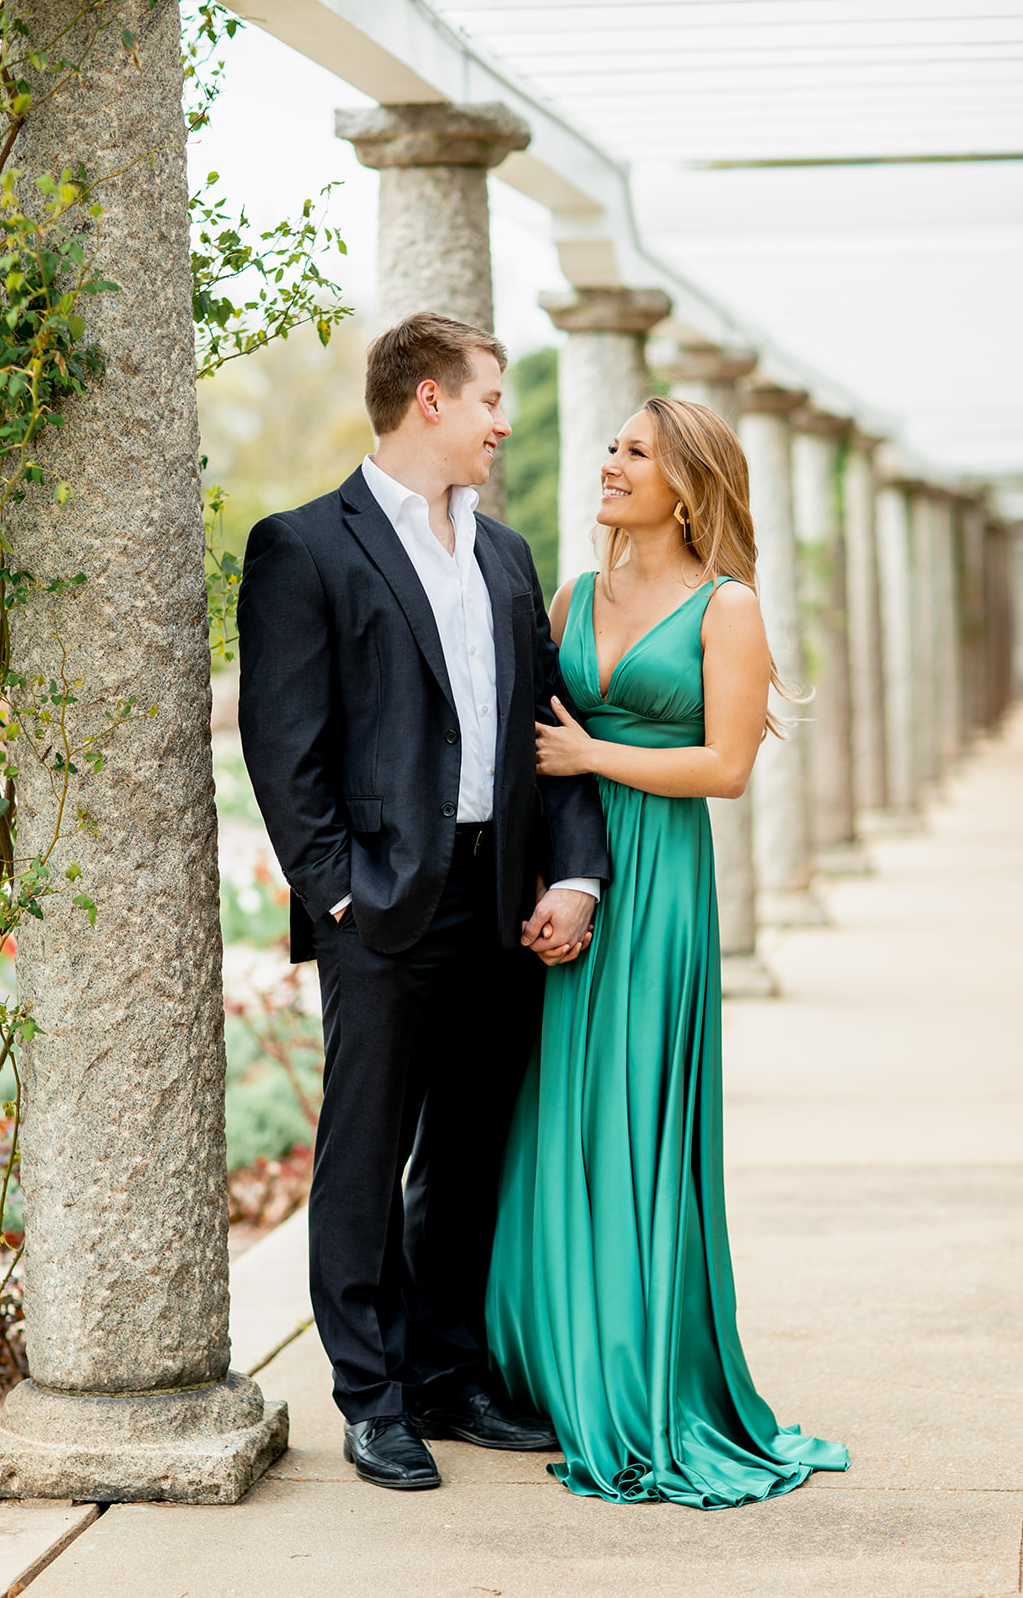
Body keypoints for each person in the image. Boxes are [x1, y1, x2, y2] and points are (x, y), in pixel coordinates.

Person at [236, 312, 609, 1492]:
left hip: (501, 897)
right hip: (383, 907)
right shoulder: (303, 546)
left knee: (468, 1148)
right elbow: (282, 749)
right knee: (364, 1151)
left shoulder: (505, 555)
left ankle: (448, 1377)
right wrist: (337, 894)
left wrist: (571, 870)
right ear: (431, 401)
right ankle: (370, 1395)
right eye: (491, 398)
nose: (505, 420)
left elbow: (548, 732)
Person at [485, 397, 850, 1507]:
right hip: (582, 869)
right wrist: (558, 877)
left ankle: (643, 1367)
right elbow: (536, 750)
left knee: (637, 1109)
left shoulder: (725, 606)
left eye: (631, 452)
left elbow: (725, 767)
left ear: (684, 484)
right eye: (611, 446)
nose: (607, 463)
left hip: (664, 885)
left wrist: (595, 747)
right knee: (563, 1112)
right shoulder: (573, 593)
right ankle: (550, 1352)